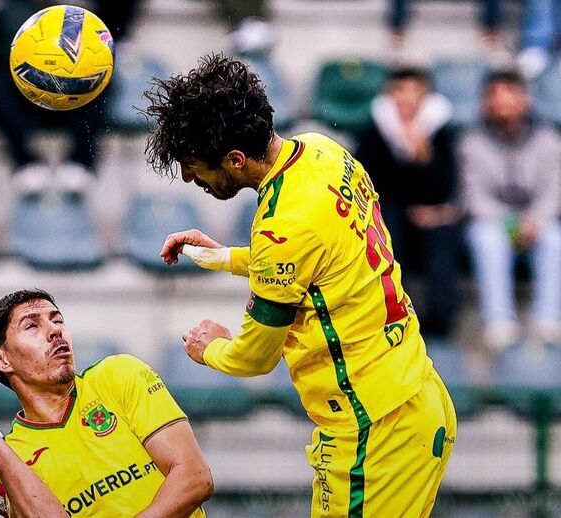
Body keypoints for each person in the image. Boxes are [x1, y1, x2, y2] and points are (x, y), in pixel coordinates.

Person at [143, 54, 456, 517]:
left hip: (372, 430)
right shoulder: (321, 150)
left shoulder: (281, 226)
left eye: (193, 166)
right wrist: (222, 256)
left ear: (235, 159)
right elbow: (320, 261)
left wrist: (211, 348)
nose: (191, 178)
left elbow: (256, 356)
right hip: (419, 395)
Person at [0, 289, 213, 517]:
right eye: (32, 326)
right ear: (2, 360)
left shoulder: (119, 375)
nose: (55, 331)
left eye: (57, 320)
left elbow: (195, 478)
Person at [355, 66, 460, 341]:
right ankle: (390, 314)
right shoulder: (374, 130)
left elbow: (446, 184)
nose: (407, 98)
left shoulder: (440, 131)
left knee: (442, 234)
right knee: (385, 228)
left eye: (415, 91)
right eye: (400, 90)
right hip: (388, 210)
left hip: (432, 211)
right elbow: (367, 182)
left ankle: (439, 323)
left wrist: (426, 157)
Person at [459, 69, 561, 349]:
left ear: (525, 99)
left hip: (537, 222)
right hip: (495, 221)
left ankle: (548, 318)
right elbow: (473, 197)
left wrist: (534, 221)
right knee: (485, 237)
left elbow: (554, 192)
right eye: (494, 96)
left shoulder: (548, 139)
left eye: (509, 95)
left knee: (555, 238)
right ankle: (499, 320)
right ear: (485, 103)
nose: (502, 103)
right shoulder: (472, 142)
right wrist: (511, 222)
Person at [0, 0, 105, 197]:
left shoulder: (80, 21)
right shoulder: (0, 18)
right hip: (23, 102)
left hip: (70, 101)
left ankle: (80, 162)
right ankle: (26, 162)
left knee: (98, 78)